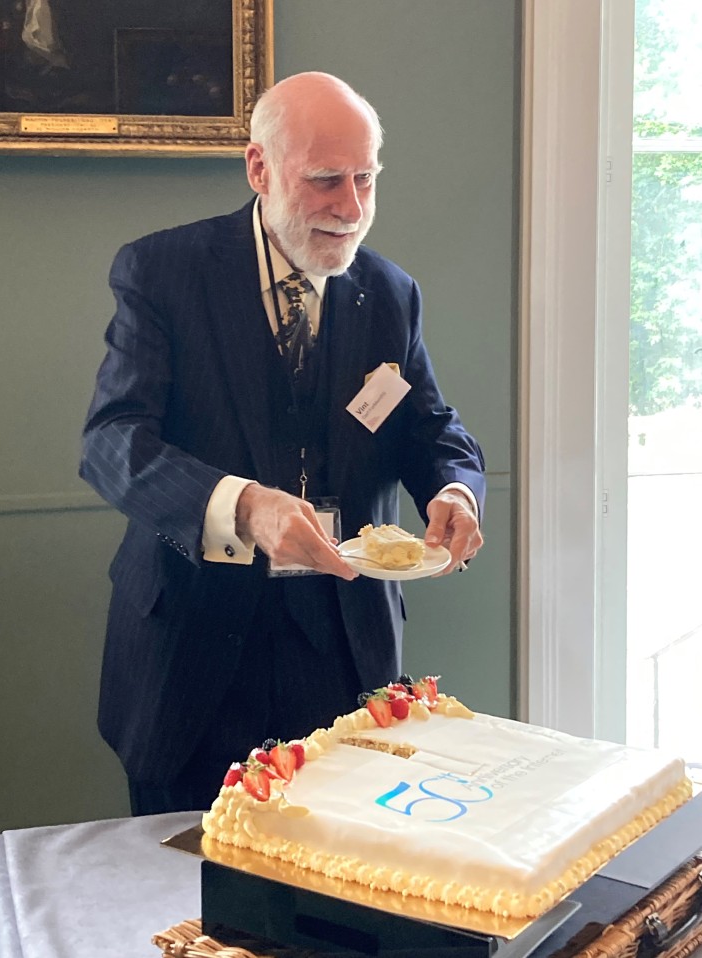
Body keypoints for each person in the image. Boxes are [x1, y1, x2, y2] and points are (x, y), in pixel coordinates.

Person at [80, 71, 486, 815]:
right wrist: (241, 507)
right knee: (187, 902)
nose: (352, 209)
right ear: (258, 168)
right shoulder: (162, 273)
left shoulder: (391, 294)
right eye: (327, 180)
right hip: (190, 656)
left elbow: (429, 428)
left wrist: (454, 489)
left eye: (367, 179)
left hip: (342, 645)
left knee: (335, 894)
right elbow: (110, 442)